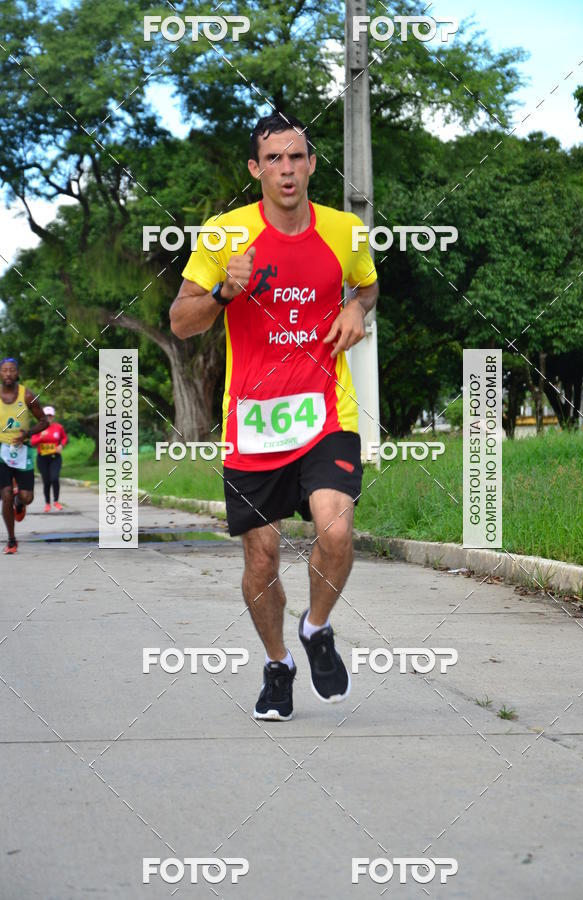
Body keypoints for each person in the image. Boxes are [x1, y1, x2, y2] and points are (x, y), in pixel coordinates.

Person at [170, 113, 379, 720]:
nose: (287, 169)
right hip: (253, 425)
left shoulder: (346, 231)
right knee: (261, 558)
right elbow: (182, 323)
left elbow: (367, 286)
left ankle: (317, 628)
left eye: (297, 157)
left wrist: (355, 308)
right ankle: (278, 664)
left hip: (325, 413)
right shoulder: (223, 235)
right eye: (274, 159)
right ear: (256, 169)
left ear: (312, 165)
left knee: (336, 532)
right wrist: (224, 293)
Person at [0, 358, 48, 554]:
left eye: (12, 370)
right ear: (0, 374)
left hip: (22, 450)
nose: (8, 374)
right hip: (1, 451)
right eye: (4, 371)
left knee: (27, 497)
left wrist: (27, 434)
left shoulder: (27, 395)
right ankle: (11, 540)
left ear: (17, 373)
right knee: (6, 495)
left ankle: (21, 503)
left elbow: (44, 421)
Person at [30, 406, 68, 512]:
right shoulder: (38, 428)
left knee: (54, 478)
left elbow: (64, 438)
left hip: (55, 457)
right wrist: (40, 437)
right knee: (46, 481)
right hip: (42, 458)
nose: (48, 418)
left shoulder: (58, 427)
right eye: (46, 416)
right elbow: (32, 442)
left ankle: (56, 501)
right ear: (43, 416)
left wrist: (61, 445)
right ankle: (47, 503)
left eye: (50, 416)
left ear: (53, 416)